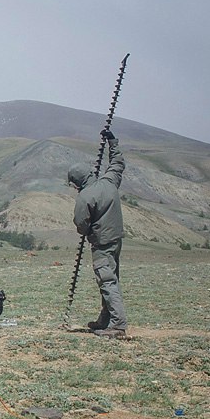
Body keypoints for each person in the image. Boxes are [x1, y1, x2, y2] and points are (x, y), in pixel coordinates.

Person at [68, 127, 127, 338]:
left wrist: (88, 228)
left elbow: (80, 225)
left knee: (107, 280)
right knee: (111, 278)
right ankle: (106, 319)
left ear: (76, 183)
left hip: (102, 243)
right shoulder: (109, 182)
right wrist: (113, 142)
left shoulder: (85, 197)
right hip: (116, 240)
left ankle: (118, 325)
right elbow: (117, 164)